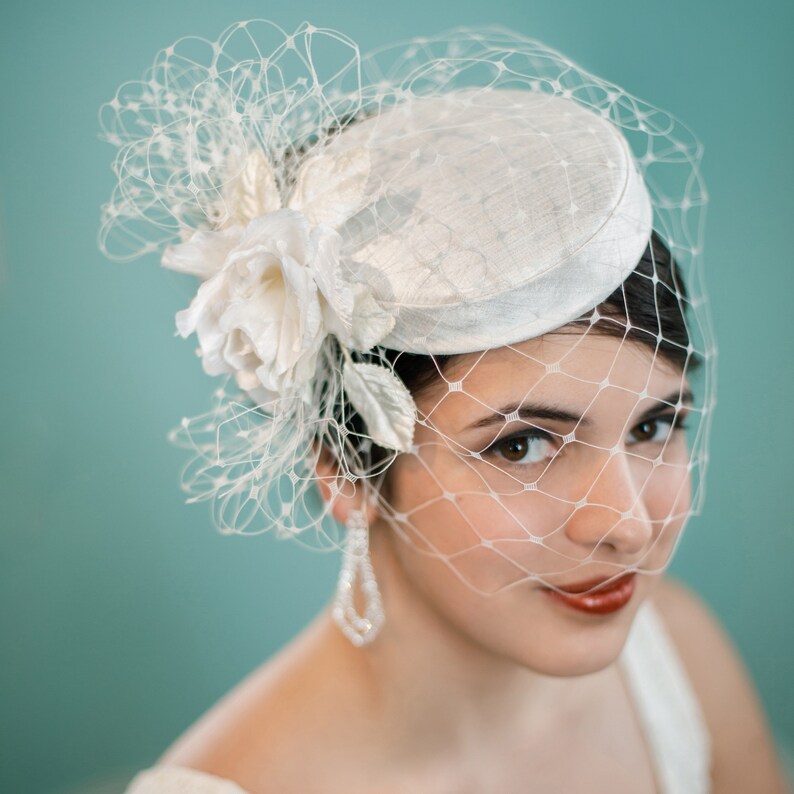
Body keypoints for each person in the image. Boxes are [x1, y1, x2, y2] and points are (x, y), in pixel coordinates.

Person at [100, 21, 788, 793]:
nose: (627, 526)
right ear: (344, 472)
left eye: (655, 425)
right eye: (523, 446)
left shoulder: (679, 657)